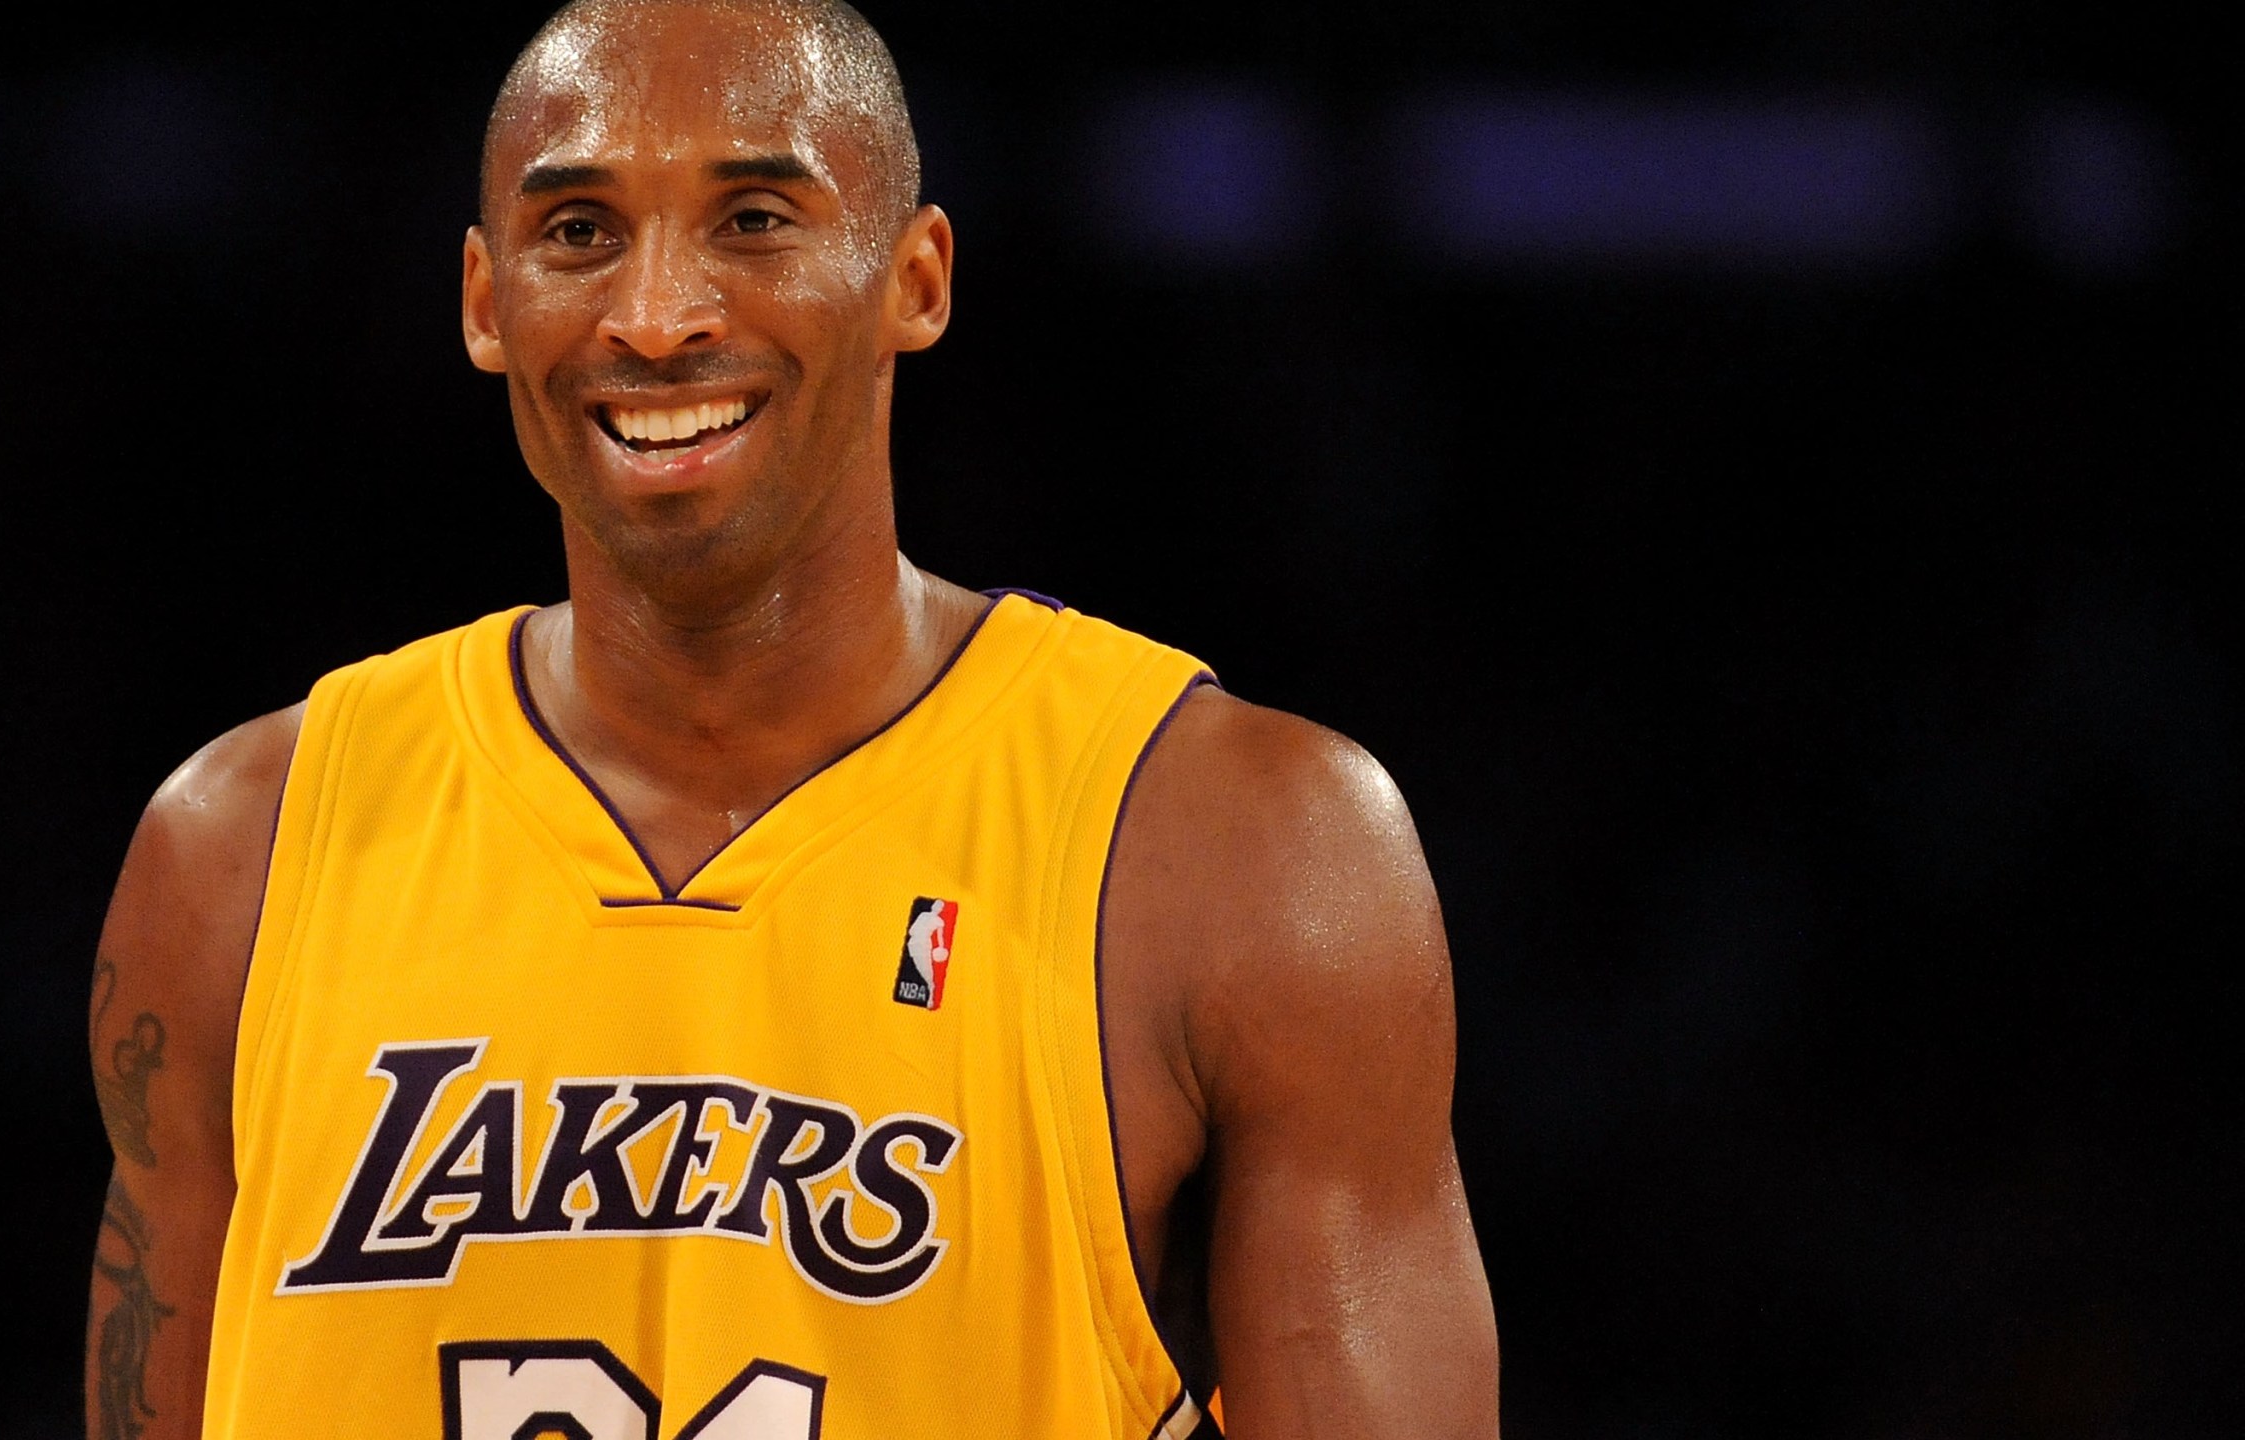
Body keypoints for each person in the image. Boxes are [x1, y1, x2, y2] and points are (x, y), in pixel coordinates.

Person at [83, 1, 1498, 1434]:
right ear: (484, 302)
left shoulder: (1244, 852)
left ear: (917, 277)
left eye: (754, 220)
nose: (656, 316)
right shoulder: (238, 857)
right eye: (577, 231)